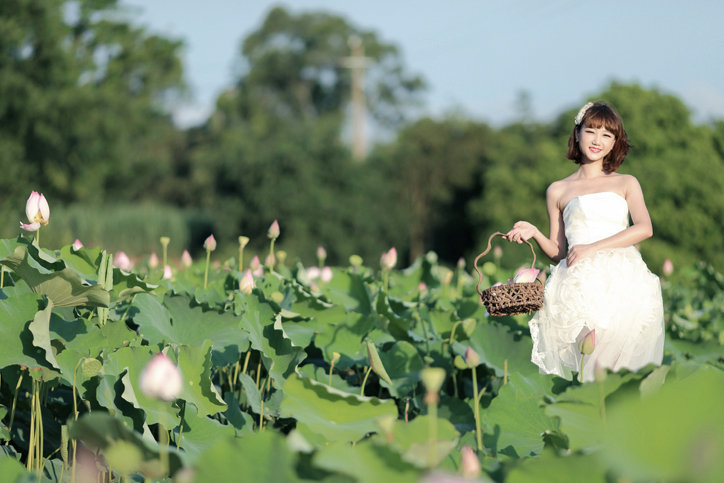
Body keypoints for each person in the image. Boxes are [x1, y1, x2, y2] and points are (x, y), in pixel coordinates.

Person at [504, 101, 664, 382]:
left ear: (615, 143)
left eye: (607, 135)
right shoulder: (557, 190)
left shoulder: (626, 183)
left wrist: (593, 247)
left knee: (618, 370)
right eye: (591, 131)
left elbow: (644, 228)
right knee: (587, 368)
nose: (597, 141)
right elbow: (558, 253)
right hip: (577, 285)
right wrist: (536, 233)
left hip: (623, 281)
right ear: (577, 133)